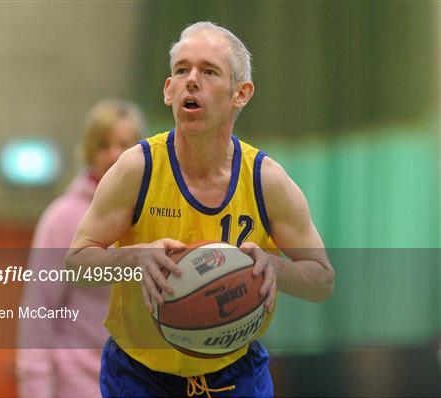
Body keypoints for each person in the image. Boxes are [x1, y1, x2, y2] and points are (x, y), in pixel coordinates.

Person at [66, 22, 335, 398]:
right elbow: (75, 265)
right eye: (182, 70)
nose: (192, 81)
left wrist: (275, 267)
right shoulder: (136, 168)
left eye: (208, 71)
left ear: (241, 93)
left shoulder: (264, 180)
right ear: (167, 90)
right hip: (141, 374)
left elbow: (322, 279)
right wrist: (133, 259)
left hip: (235, 370)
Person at [16, 99, 144, 398]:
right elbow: (38, 311)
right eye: (104, 145)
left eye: (124, 144)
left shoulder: (156, 216)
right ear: (89, 151)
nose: (114, 154)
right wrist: (35, 388)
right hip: (77, 385)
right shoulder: (61, 218)